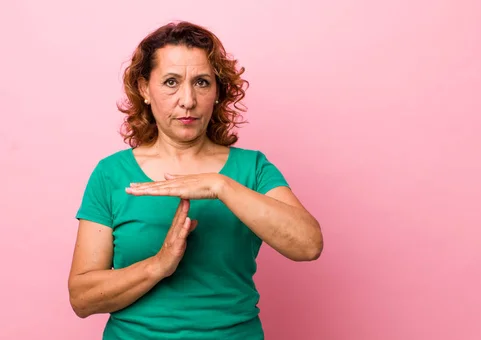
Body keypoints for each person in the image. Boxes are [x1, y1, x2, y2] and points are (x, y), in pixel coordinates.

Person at [67, 20, 323, 340]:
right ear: (145, 89)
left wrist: (221, 186)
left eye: (201, 82)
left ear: (217, 92)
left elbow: (309, 245)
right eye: (171, 82)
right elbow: (81, 298)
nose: (187, 100)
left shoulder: (252, 169)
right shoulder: (110, 174)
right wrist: (158, 265)